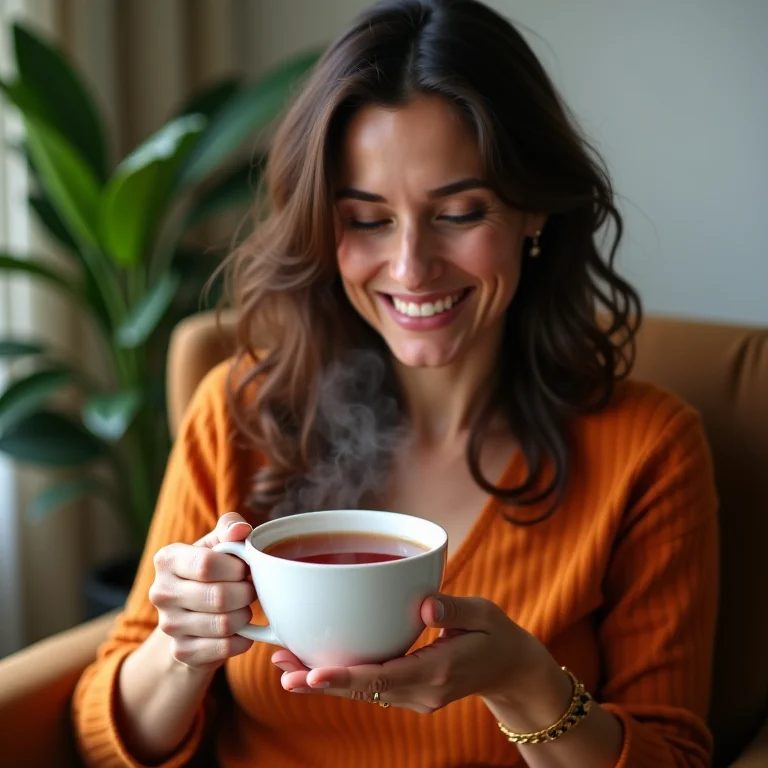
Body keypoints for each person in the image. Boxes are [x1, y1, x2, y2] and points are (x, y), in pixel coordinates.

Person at [72, 1, 719, 766]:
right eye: (368, 220)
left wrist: (522, 683)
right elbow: (100, 741)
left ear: (533, 209)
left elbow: (673, 756)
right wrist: (181, 651)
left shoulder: (646, 453)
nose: (411, 269)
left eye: (458, 212)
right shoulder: (241, 413)